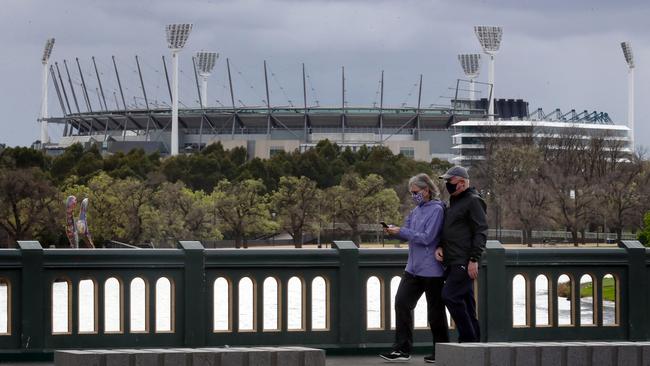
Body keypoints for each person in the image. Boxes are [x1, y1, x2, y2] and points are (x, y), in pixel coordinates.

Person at [379, 173, 449, 363]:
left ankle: (441, 351)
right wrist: (394, 231)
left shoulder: (437, 210)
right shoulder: (416, 211)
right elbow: (407, 233)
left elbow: (427, 237)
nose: (413, 196)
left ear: (427, 190)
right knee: (401, 303)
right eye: (411, 193)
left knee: (435, 312)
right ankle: (401, 349)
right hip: (413, 268)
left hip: (432, 270)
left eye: (416, 192)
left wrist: (402, 231)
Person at [436, 166, 487, 343]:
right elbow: (451, 229)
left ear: (462, 182)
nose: (447, 184)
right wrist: (441, 246)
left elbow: (481, 231)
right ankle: (474, 344)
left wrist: (474, 259)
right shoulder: (454, 202)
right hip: (452, 260)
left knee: (449, 295)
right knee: (466, 304)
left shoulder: (473, 201)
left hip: (463, 260)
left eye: (450, 181)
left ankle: (467, 340)